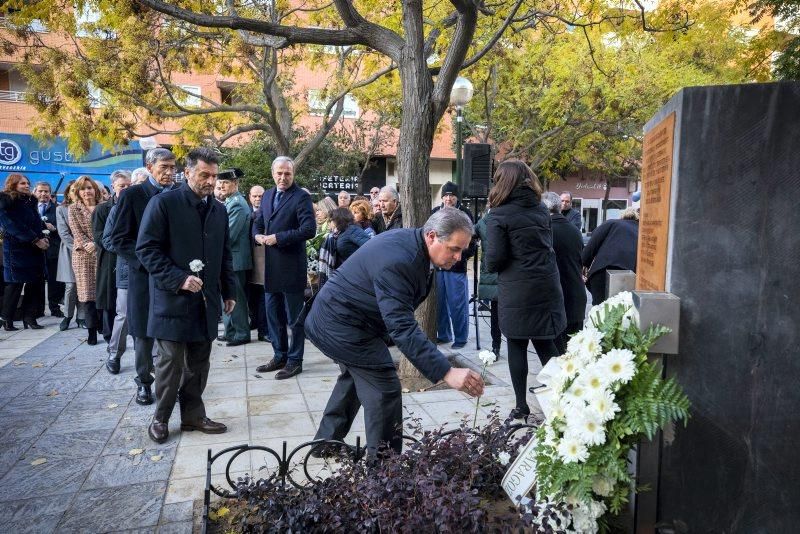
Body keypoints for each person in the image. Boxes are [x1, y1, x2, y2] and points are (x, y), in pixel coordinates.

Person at [307, 208, 485, 455]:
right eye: (454, 249)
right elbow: (401, 325)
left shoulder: (415, 247)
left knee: (354, 379)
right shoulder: (402, 259)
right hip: (339, 324)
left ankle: (325, 444)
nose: (458, 257)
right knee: (385, 389)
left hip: (347, 321)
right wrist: (446, 371)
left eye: (462, 251)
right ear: (432, 236)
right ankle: (384, 471)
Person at [136, 147, 236, 444]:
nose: (210, 181)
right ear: (188, 172)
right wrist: (179, 278)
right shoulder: (163, 204)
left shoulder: (218, 209)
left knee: (199, 363)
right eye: (204, 175)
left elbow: (225, 254)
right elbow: (146, 250)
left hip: (206, 302)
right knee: (170, 365)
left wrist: (229, 291)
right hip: (171, 299)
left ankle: (193, 416)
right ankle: (161, 418)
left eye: (214, 176)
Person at [485, 160, 566, 420]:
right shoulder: (541, 210)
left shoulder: (498, 215)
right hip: (546, 285)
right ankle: (564, 399)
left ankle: (521, 405)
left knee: (517, 344)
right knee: (545, 342)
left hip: (517, 289)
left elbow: (494, 259)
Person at [110, 147, 177, 405]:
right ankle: (144, 383)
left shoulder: (177, 196)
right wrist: (147, 263)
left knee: (171, 332)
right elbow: (118, 238)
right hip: (143, 277)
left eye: (173, 168)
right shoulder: (133, 196)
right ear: (150, 168)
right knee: (143, 333)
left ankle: (170, 384)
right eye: (164, 168)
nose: (170, 173)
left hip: (172, 276)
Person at [253, 156, 316, 379]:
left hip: (291, 267)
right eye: (279, 173)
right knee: (273, 316)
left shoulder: (301, 197)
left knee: (294, 318)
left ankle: (295, 360)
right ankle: (279, 355)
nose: (283, 177)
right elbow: (258, 220)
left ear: (293, 174)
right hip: (270, 268)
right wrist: (257, 234)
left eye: (287, 173)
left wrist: (278, 238)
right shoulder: (268, 195)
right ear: (273, 173)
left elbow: (309, 230)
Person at [101, 167, 149, 374]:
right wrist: (137, 253)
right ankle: (115, 353)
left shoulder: (155, 204)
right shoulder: (116, 209)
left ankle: (151, 362)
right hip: (128, 270)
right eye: (129, 186)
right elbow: (108, 240)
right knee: (124, 314)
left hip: (153, 271)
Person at [0, 174, 48, 330]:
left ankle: (30, 317)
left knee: (34, 284)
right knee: (14, 285)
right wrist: (35, 239)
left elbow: (35, 222)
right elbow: (11, 225)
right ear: (13, 184)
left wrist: (42, 237)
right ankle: (6, 319)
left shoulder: (31, 201)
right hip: (15, 249)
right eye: (22, 183)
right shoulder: (5, 200)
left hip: (34, 249)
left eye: (27, 183)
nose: (26, 185)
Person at [432, 181, 476, 350]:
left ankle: (461, 337)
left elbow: (471, 243)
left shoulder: (465, 214)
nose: (448, 199)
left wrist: (458, 257)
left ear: (457, 197)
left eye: (451, 195)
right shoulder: (435, 213)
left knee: (457, 304)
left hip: (456, 268)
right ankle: (443, 334)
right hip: (437, 267)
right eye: (445, 195)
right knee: (439, 303)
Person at [542, 192, 587, 355]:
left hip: (555, 299)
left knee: (557, 357)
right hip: (576, 296)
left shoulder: (544, 231)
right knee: (574, 353)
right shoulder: (575, 231)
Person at [93, 170, 131, 345]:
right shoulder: (102, 209)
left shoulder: (135, 204)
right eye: (122, 186)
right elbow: (100, 236)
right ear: (113, 186)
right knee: (109, 298)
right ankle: (109, 335)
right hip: (110, 258)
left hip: (129, 261)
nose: (125, 189)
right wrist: (124, 248)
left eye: (128, 185)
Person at [216, 169, 252, 347]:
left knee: (236, 297)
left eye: (226, 183)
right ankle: (231, 331)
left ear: (235, 184)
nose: (221, 186)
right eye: (219, 183)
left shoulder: (237, 203)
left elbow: (229, 235)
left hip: (236, 259)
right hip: (231, 259)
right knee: (228, 296)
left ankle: (241, 333)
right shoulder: (230, 202)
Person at [68, 176, 103, 345]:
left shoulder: (104, 206)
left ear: (95, 189)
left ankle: (104, 327)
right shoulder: (73, 209)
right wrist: (89, 245)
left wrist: (98, 244)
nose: (87, 191)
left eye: (89, 187)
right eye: (83, 188)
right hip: (83, 256)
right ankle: (91, 332)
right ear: (78, 192)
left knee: (103, 293)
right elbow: (76, 231)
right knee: (87, 295)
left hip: (103, 252)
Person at [581, 208, 639, 306]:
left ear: (622, 216)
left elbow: (592, 245)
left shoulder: (611, 223)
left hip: (602, 272)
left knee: (599, 309)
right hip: (628, 275)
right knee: (620, 310)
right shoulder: (641, 230)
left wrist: (584, 263)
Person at [55, 181, 85, 330]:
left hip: (87, 251)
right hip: (70, 250)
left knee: (84, 285)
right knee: (71, 286)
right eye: (73, 190)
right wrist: (79, 247)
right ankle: (67, 316)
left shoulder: (87, 208)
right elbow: (64, 233)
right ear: (68, 192)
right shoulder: (61, 209)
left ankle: (82, 317)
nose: (76, 192)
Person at [33, 181, 64, 318]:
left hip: (53, 249)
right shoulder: (31, 208)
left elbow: (65, 229)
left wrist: (54, 228)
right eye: (40, 191)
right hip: (34, 249)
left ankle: (54, 307)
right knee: (36, 280)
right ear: (35, 192)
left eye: (46, 191)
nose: (43, 194)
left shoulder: (57, 208)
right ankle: (38, 309)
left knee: (53, 281)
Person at [474, 207, 501, 356]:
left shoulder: (508, 218)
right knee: (496, 314)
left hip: (505, 274)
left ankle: (498, 346)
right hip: (493, 274)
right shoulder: (482, 223)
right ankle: (496, 346)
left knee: (500, 314)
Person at [246, 185, 268, 342]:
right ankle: (254, 321)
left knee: (262, 294)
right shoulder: (245, 210)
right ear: (249, 197)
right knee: (251, 295)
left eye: (260, 196)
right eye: (255, 196)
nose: (258, 199)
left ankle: (263, 329)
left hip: (262, 259)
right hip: (247, 260)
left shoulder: (268, 212)